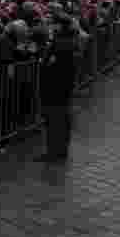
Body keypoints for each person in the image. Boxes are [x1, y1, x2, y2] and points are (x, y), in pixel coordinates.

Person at [37, 12, 79, 163]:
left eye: (52, 23)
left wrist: (45, 64)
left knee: (55, 120)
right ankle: (60, 150)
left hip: (55, 88)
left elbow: (50, 65)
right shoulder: (69, 40)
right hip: (63, 88)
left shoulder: (61, 43)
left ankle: (54, 151)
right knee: (61, 119)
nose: (49, 26)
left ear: (59, 25)